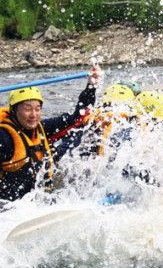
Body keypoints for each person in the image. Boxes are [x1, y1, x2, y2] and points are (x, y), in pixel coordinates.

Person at [0, 65, 101, 201]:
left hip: (36, 201)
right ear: (14, 111)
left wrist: (91, 86)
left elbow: (78, 117)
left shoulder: (43, 128)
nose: (33, 115)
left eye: (37, 109)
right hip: (8, 207)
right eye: (27, 109)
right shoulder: (4, 137)